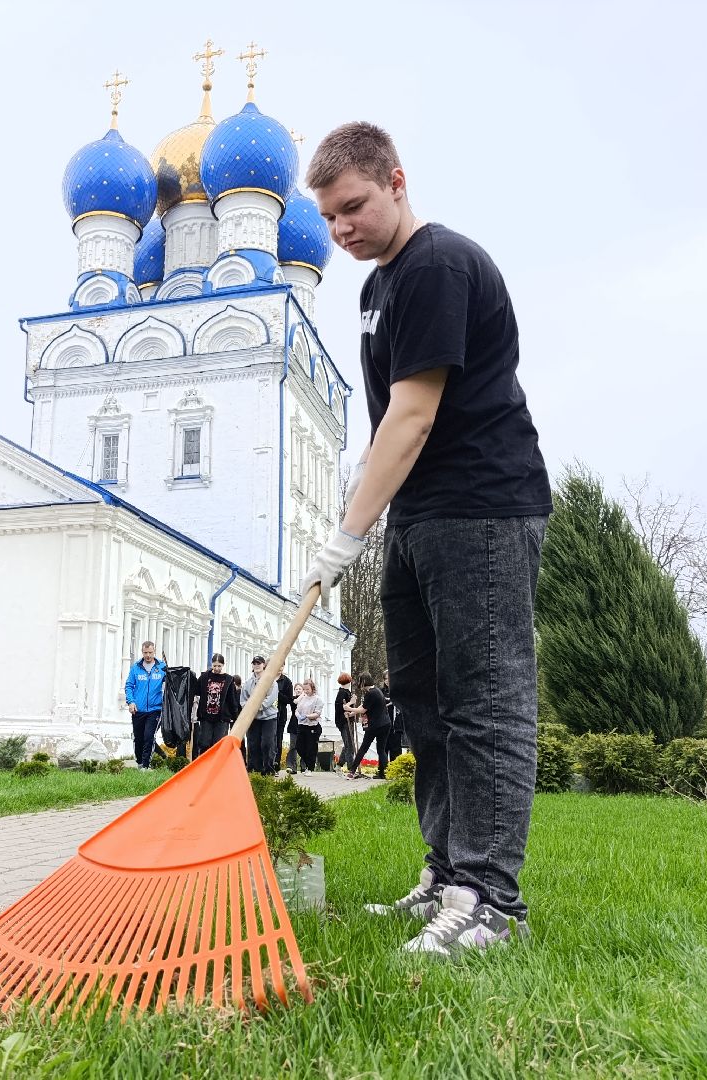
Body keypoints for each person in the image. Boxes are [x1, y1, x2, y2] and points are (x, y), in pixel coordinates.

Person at [302, 122, 551, 958]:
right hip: (418, 516)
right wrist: (363, 522)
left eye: (355, 208)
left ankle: (491, 901)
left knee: (484, 700)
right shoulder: (378, 288)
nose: (343, 230)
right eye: (331, 218)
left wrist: (344, 536)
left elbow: (411, 414)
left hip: (480, 506)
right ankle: (448, 876)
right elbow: (384, 435)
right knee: (425, 704)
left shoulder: (438, 266)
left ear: (397, 182)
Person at [124, 640, 167, 770]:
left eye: (150, 652)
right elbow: (129, 686)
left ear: (154, 651)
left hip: (155, 709)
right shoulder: (136, 668)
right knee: (139, 738)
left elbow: (170, 686)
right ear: (142, 652)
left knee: (149, 736)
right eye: (145, 653)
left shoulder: (162, 667)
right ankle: (140, 762)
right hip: (138, 709)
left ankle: (146, 765)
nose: (148, 655)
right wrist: (131, 702)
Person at [345, 672, 391, 780]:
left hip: (375, 725)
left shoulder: (371, 693)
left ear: (363, 682)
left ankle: (352, 772)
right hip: (385, 724)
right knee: (381, 750)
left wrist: (349, 709)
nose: (359, 685)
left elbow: (363, 709)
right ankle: (386, 774)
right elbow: (365, 705)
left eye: (360, 682)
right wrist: (353, 713)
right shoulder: (376, 690)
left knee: (363, 748)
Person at [192, 653, 239, 758]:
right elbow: (196, 690)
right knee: (204, 742)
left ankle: (217, 767)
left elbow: (232, 699)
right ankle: (203, 764)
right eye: (214, 665)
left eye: (219, 666)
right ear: (211, 664)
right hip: (206, 716)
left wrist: (234, 716)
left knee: (218, 743)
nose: (217, 668)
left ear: (223, 665)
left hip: (222, 718)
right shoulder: (204, 677)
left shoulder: (228, 680)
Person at [240, 656, 280, 775]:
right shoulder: (247, 683)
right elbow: (243, 700)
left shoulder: (272, 682)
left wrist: (255, 707)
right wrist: (249, 708)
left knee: (267, 743)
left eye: (259, 663)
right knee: (253, 743)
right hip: (253, 718)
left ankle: (268, 769)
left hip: (269, 718)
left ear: (264, 665)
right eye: (254, 663)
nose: (257, 665)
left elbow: (270, 700)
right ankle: (255, 770)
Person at [294, 678, 325, 773]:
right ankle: (308, 763)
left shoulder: (318, 699)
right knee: (299, 746)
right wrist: (299, 716)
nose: (306, 691)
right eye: (305, 689)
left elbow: (317, 713)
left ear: (312, 688)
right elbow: (297, 710)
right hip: (302, 725)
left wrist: (307, 716)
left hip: (312, 726)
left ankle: (310, 767)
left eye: (308, 689)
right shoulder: (303, 698)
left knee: (310, 748)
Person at [275, 671, 297, 774]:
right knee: (267, 740)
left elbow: (289, 699)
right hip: (265, 714)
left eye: (282, 666)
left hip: (280, 714)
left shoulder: (286, 681)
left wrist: (277, 693)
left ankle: (276, 764)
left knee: (278, 740)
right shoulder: (267, 677)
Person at [332, 673, 355, 768]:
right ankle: (351, 768)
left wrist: (353, 711)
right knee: (349, 745)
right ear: (348, 681)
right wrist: (351, 702)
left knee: (348, 744)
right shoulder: (342, 692)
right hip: (344, 722)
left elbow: (349, 708)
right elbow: (340, 707)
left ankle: (340, 764)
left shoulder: (347, 692)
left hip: (349, 720)